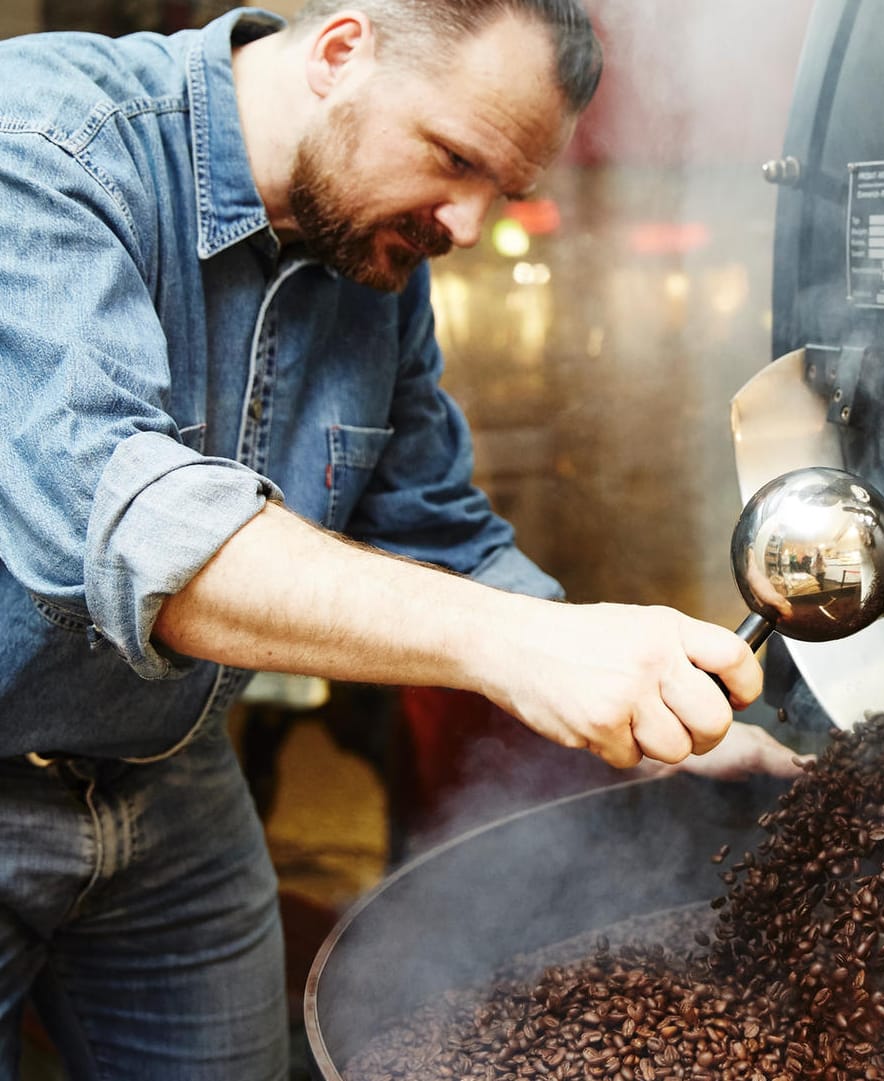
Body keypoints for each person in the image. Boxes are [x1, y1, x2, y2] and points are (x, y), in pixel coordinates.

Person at [0, 3, 792, 1077]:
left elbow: (435, 529)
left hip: (169, 775)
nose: (467, 227)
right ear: (340, 52)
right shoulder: (45, 139)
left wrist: (653, 701)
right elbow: (129, 526)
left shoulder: (379, 267)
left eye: (500, 192)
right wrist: (520, 650)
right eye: (455, 159)